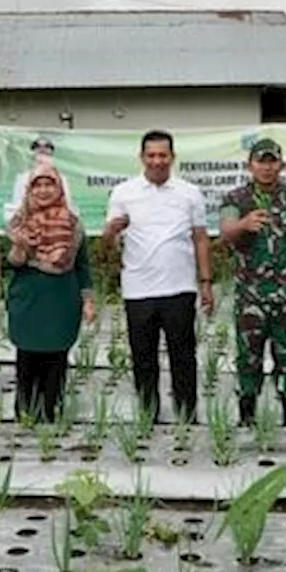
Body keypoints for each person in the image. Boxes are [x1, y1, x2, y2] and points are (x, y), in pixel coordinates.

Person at [104, 130, 214, 423]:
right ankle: (147, 415)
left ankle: (187, 416)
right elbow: (109, 245)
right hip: (138, 289)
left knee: (183, 356)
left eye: (162, 155)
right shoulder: (123, 193)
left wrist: (206, 282)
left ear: (172, 158)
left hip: (179, 287)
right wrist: (111, 232)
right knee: (143, 358)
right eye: (151, 155)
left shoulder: (189, 193)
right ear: (141, 158)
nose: (157, 161)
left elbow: (201, 239)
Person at [219, 138, 286, 426]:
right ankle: (247, 417)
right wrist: (242, 225)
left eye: (272, 161)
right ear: (250, 165)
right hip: (251, 297)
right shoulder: (236, 200)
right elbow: (225, 231)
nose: (266, 167)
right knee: (248, 359)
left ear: (281, 165)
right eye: (261, 161)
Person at [5, 163, 96, 422]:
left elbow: (82, 266)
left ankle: (50, 414)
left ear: (59, 188)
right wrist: (21, 246)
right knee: (26, 358)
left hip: (61, 301)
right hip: (28, 300)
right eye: (38, 185)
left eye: (49, 184)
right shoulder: (18, 223)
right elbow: (12, 263)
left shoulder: (73, 225)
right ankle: (25, 414)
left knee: (56, 358)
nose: (44, 190)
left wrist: (88, 300)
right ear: (30, 190)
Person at [6, 136, 79, 222]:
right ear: (33, 153)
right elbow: (17, 206)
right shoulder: (22, 178)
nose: (42, 151)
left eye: (46, 148)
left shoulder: (62, 179)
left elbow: (67, 205)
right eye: (38, 148)